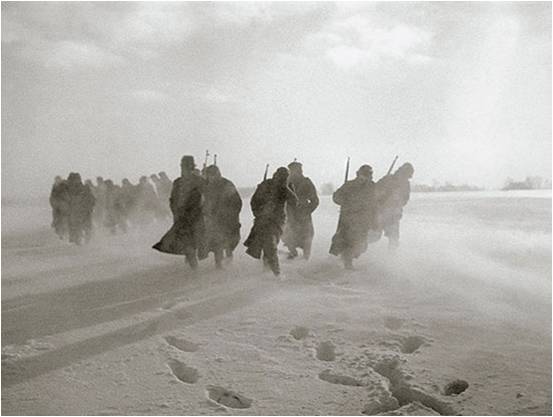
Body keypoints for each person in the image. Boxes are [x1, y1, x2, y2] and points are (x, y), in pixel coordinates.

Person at [153, 156, 208, 270]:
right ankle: (194, 267)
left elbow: (207, 196)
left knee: (198, 240)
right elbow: (173, 199)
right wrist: (176, 212)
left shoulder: (199, 180)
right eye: (182, 166)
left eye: (185, 166)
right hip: (182, 217)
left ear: (191, 167)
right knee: (187, 242)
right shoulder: (178, 182)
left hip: (196, 215)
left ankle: (195, 260)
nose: (183, 168)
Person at [244, 167, 298, 276]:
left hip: (277, 221)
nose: (282, 178)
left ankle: (275, 273)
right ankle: (269, 271)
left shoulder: (286, 187)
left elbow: (294, 202)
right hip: (262, 220)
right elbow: (254, 201)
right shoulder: (266, 184)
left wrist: (286, 187)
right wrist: (258, 213)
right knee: (266, 246)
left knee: (270, 245)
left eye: (285, 177)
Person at [329, 165, 377, 269]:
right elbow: (336, 196)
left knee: (361, 244)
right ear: (358, 174)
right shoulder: (349, 185)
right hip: (348, 218)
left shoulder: (372, 187)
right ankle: (347, 263)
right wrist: (344, 201)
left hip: (363, 219)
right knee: (348, 240)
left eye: (368, 175)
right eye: (364, 174)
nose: (366, 177)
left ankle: (347, 258)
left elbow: (375, 202)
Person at [203, 165, 242, 269]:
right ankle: (219, 264)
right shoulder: (208, 187)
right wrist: (207, 213)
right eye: (209, 175)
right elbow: (205, 202)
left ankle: (229, 258)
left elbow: (237, 201)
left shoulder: (227, 184)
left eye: (213, 174)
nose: (211, 177)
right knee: (217, 242)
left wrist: (231, 213)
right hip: (215, 220)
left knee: (230, 240)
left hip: (228, 219)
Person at [282, 161, 319, 260]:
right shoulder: (285, 182)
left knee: (306, 236)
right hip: (289, 213)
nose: (294, 172)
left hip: (303, 214)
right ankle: (292, 252)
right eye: (291, 170)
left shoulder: (306, 182)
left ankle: (306, 258)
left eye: (296, 170)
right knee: (288, 234)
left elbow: (315, 200)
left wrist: (307, 210)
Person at [375, 162, 414, 250]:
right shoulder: (388, 179)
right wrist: (382, 196)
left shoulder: (405, 184)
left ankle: (391, 257)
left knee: (394, 238)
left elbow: (405, 198)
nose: (405, 177)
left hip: (394, 214)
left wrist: (397, 203)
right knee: (375, 234)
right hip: (381, 211)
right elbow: (375, 190)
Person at [66, 172, 95, 245]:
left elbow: (92, 199)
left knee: (86, 227)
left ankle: (86, 241)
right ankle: (78, 241)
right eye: (71, 180)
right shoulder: (69, 189)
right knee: (76, 226)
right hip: (75, 211)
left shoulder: (85, 188)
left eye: (73, 180)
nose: (72, 182)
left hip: (84, 211)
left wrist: (89, 208)